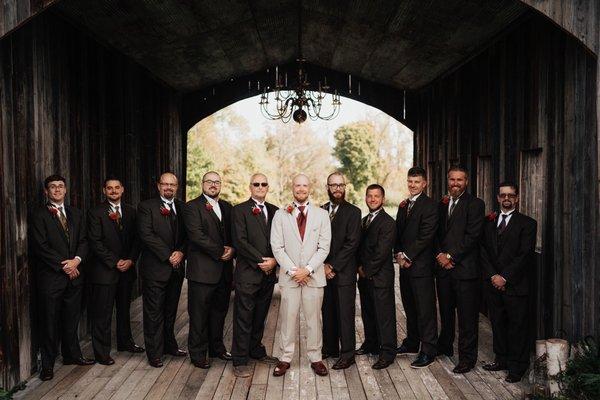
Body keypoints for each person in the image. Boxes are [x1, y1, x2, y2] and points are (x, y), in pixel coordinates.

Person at [30, 174, 93, 381]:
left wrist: (76, 260)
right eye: (53, 187)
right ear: (46, 192)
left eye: (60, 186)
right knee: (49, 321)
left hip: (75, 276)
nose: (57, 190)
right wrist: (65, 265)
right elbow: (41, 246)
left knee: (71, 318)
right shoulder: (39, 215)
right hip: (52, 278)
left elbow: (84, 240)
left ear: (66, 190)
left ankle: (71, 355)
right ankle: (47, 365)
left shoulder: (76, 213)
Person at [270, 174, 331, 377]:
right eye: (297, 185)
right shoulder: (280, 214)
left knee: (314, 320)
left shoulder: (322, 215)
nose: (301, 189)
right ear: (292, 187)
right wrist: (294, 271)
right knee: (287, 319)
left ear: (310, 188)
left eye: (305, 185)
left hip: (313, 277)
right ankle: (285, 358)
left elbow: (324, 247)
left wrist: (309, 270)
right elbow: (277, 247)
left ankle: (316, 358)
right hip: (290, 278)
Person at [480, 182, 536, 383]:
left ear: (517, 198)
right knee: (497, 323)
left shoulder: (528, 223)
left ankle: (517, 366)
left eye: (511, 195)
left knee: (517, 326)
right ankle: (501, 359)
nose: (506, 198)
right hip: (493, 283)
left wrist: (504, 277)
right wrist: (493, 276)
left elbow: (524, 255)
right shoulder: (488, 222)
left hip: (515, 285)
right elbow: (483, 251)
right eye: (503, 195)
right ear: (497, 197)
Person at [88, 177, 143, 366]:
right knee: (102, 314)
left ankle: (125, 342)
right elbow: (95, 242)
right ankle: (102, 352)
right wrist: (115, 261)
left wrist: (131, 260)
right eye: (109, 188)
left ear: (122, 189)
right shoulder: (95, 212)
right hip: (105, 271)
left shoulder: (131, 211)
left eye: (116, 187)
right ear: (104, 191)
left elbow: (137, 239)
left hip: (126, 270)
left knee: (124, 310)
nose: (113, 191)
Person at [435, 165, 485, 374]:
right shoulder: (442, 203)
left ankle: (467, 358)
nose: (455, 183)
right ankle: (445, 346)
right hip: (444, 270)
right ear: (448, 180)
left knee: (467, 318)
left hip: (465, 270)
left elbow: (472, 236)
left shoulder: (475, 204)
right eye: (452, 180)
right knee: (446, 313)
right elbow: (436, 233)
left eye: (459, 180)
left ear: (466, 182)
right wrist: (440, 255)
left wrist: (450, 256)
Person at [183, 171, 234, 369]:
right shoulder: (191, 207)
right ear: (202, 183)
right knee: (199, 314)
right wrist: (221, 250)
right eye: (209, 182)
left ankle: (217, 348)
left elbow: (234, 235)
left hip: (224, 271)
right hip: (202, 272)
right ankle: (197, 353)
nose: (213, 185)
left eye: (217, 182)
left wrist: (233, 250)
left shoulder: (227, 207)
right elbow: (196, 235)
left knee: (219, 312)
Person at [231, 173, 279, 377]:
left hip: (268, 274)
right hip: (249, 273)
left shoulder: (276, 211)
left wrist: (274, 261)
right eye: (256, 184)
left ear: (268, 187)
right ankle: (240, 360)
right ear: (250, 187)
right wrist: (261, 261)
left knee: (260, 315)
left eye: (264, 184)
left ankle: (256, 350)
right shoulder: (239, 210)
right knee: (244, 316)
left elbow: (280, 240)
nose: (260, 187)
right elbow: (239, 242)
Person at [138, 172, 188, 368]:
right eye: (165, 184)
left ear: (177, 187)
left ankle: (169, 345)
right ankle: (154, 352)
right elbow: (146, 235)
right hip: (155, 269)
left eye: (172, 185)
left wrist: (181, 252)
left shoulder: (183, 208)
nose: (168, 187)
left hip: (176, 269)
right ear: (158, 186)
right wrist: (169, 255)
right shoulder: (146, 207)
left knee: (170, 310)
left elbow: (188, 235)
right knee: (153, 313)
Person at [394, 167, 439, 368]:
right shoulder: (404, 206)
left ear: (424, 184)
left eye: (417, 182)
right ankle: (412, 342)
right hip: (404, 266)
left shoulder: (430, 206)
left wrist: (407, 255)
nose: (413, 185)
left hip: (421, 267)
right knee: (410, 306)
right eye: (410, 182)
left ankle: (428, 350)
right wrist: (398, 254)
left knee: (425, 309)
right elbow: (398, 233)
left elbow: (426, 236)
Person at [320, 172, 361, 370]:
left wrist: (332, 266)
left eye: (340, 185)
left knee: (345, 313)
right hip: (322, 271)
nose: (337, 188)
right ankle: (330, 348)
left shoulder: (354, 212)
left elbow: (351, 244)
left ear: (345, 187)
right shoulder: (320, 210)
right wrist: (322, 265)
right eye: (333, 185)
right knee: (327, 311)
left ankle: (347, 354)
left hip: (343, 272)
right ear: (327, 187)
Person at [356, 184, 397, 369]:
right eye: (369, 196)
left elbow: (382, 252)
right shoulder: (364, 220)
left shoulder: (388, 222)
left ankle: (387, 353)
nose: (373, 199)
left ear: (383, 199)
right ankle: (371, 344)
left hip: (380, 277)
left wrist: (367, 270)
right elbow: (358, 248)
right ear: (365, 198)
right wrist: (358, 267)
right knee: (368, 312)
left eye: (376, 196)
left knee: (384, 316)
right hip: (364, 277)